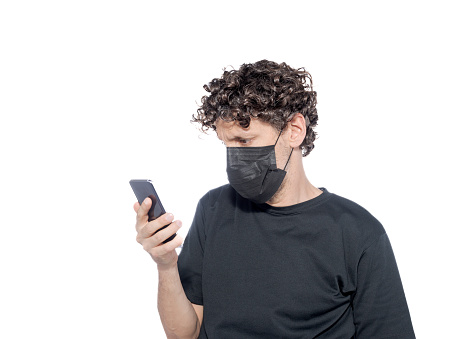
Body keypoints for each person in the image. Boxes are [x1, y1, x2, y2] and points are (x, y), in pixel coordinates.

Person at [133, 60, 415, 338]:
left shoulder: (357, 232)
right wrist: (166, 264)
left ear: (294, 131)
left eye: (245, 141)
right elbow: (185, 333)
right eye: (226, 143)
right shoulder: (213, 209)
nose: (233, 158)